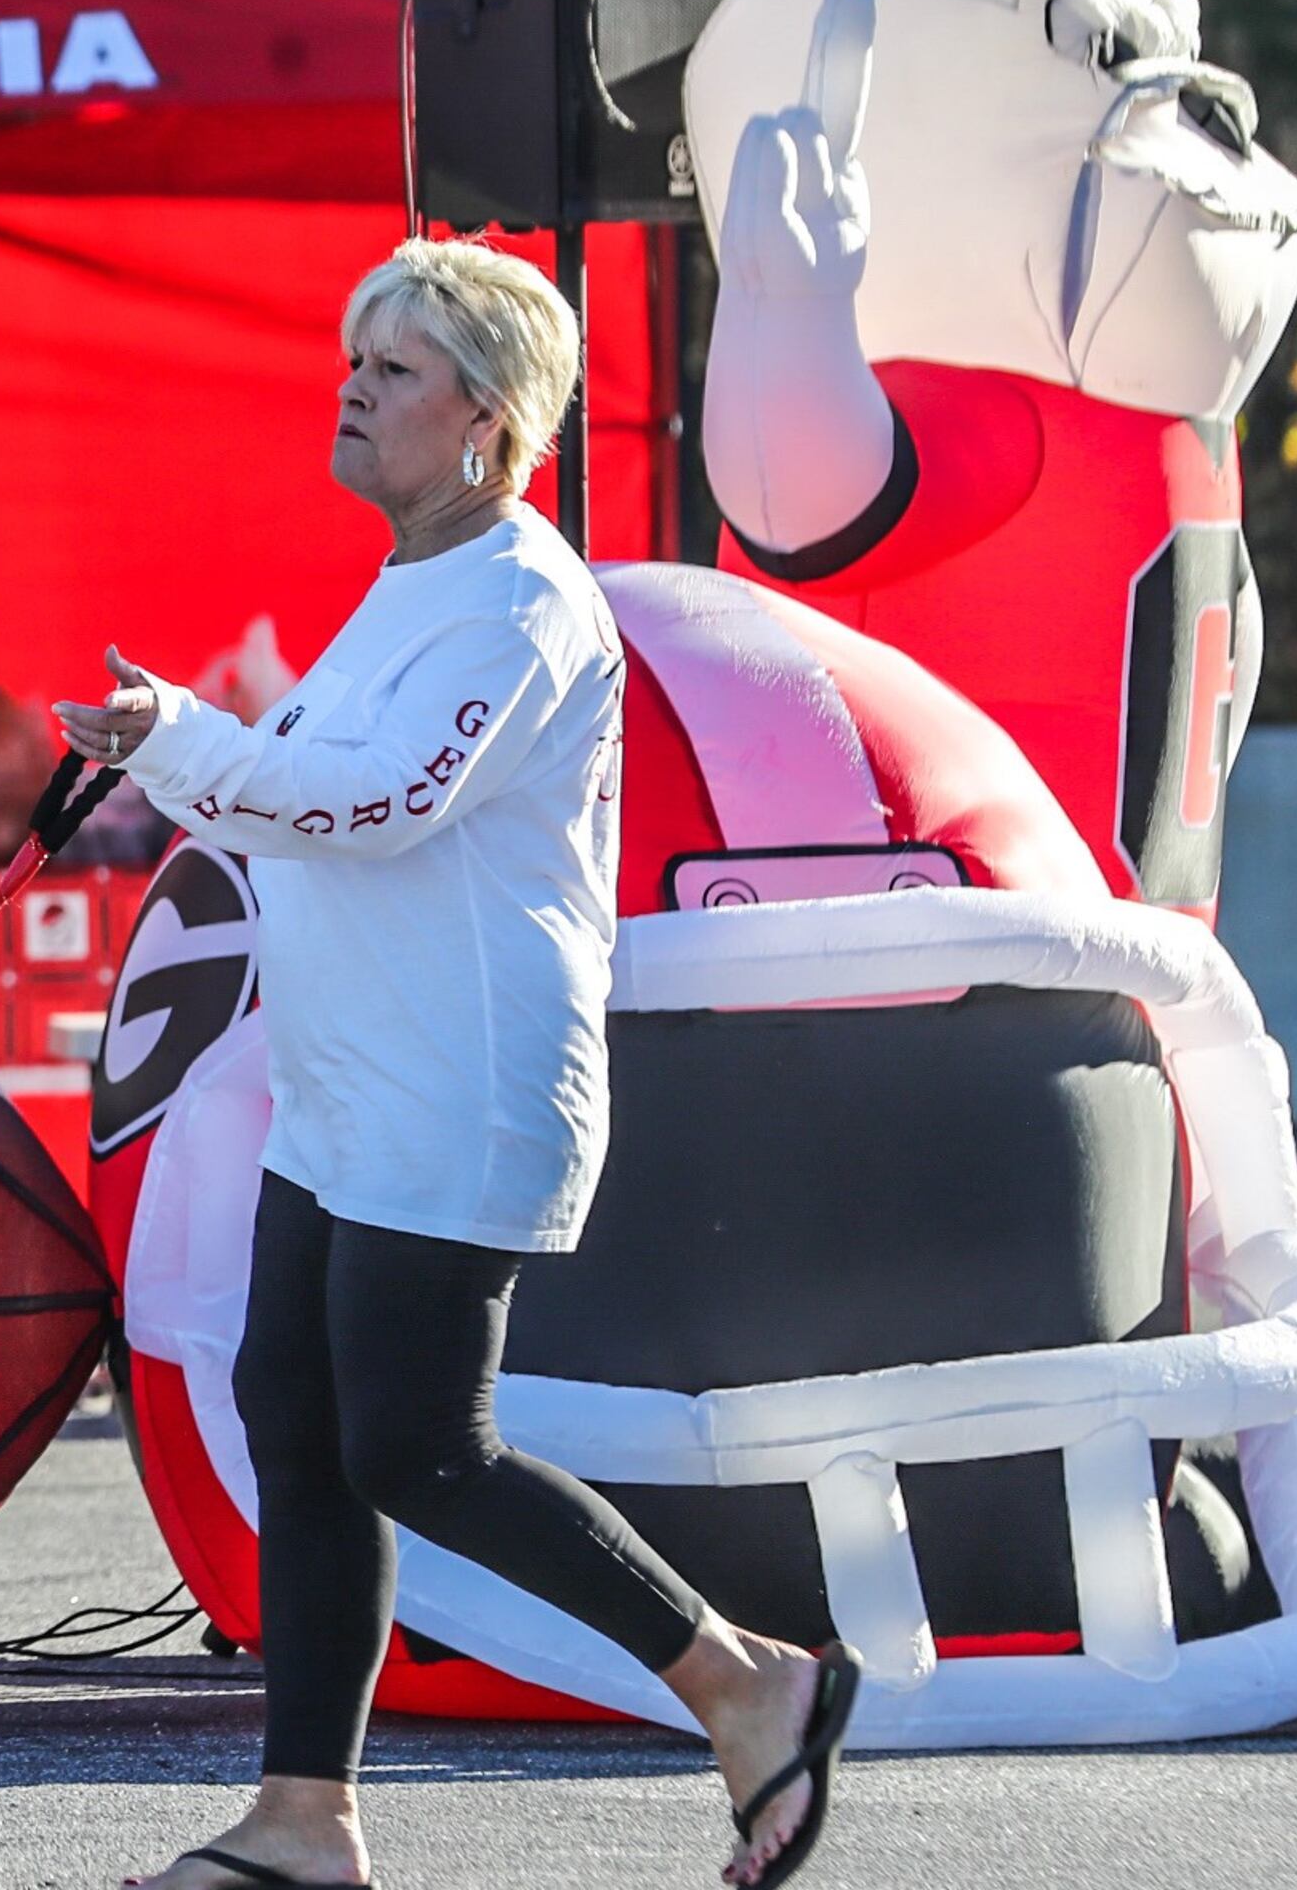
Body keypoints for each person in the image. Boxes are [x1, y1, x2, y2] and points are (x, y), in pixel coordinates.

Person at [56, 239, 857, 1890]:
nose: (353, 387)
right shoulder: (422, 575)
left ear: (487, 423)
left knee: (422, 1447)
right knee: (296, 1409)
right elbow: (326, 779)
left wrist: (191, 748)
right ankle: (306, 1820)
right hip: (351, 1088)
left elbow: (379, 802)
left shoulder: (523, 607)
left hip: (461, 1094)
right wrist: (179, 746)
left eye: (395, 369)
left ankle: (746, 1681)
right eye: (356, 357)